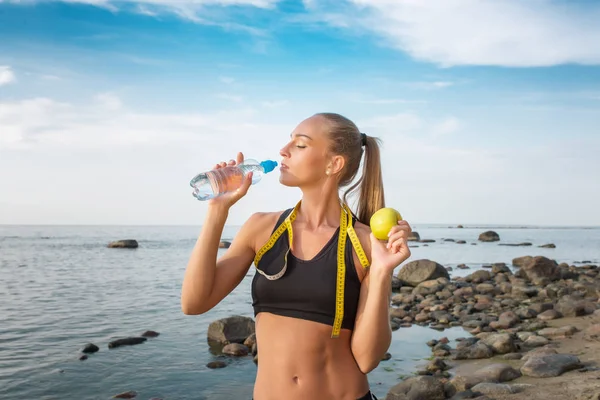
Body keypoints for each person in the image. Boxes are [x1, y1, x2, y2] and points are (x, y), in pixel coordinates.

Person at [181, 112, 412, 400]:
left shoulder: (366, 243)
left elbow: (367, 359)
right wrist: (217, 211)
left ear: (334, 163)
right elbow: (193, 303)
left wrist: (381, 271)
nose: (283, 151)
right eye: (289, 141)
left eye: (300, 145)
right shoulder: (261, 228)